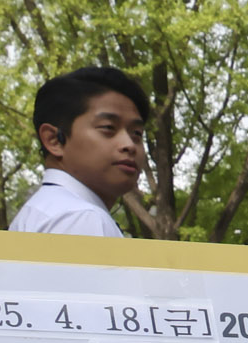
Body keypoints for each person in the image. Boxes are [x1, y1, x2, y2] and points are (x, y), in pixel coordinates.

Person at [11, 67, 150, 236]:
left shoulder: (45, 211)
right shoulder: (81, 217)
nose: (129, 144)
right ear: (54, 140)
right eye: (108, 128)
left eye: (137, 134)